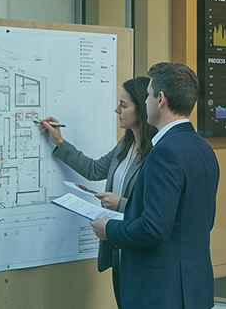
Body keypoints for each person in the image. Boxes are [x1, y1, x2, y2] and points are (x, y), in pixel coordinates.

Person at [91, 62, 220, 309]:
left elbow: (153, 228)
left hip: (159, 291)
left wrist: (109, 230)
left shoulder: (164, 153)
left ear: (161, 99)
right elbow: (203, 220)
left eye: (149, 95)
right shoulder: (203, 148)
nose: (146, 101)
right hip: (193, 287)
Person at [38, 75, 154, 308]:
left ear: (141, 109)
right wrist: (59, 141)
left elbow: (153, 209)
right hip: (118, 247)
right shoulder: (125, 144)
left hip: (139, 250)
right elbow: (93, 169)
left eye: (123, 105)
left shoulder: (157, 154)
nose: (116, 110)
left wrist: (121, 203)